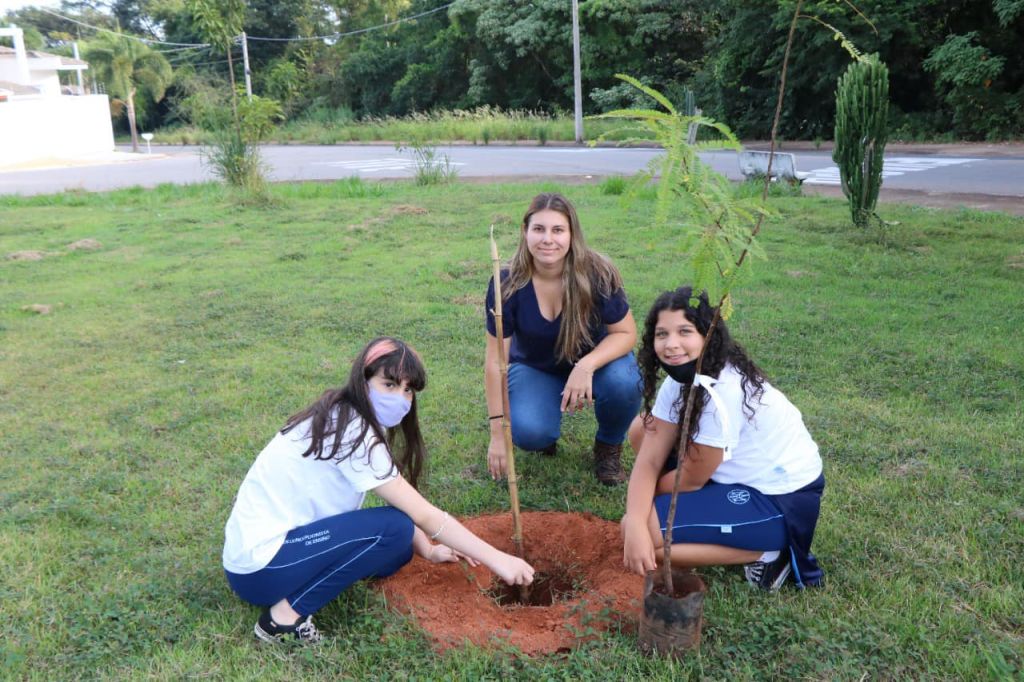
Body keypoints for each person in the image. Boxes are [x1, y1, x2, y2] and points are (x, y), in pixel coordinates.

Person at [223, 337, 535, 644]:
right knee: (395, 529)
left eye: (408, 389)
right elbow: (423, 515)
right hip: (262, 568)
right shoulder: (354, 430)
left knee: (397, 550)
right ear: (363, 380)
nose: (400, 397)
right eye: (389, 384)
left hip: (277, 554)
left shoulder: (350, 415)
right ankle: (282, 619)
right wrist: (498, 559)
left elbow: (400, 498)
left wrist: (427, 550)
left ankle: (307, 586)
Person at [620, 287, 825, 590]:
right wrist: (638, 512)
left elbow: (690, 480)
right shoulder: (682, 379)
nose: (671, 344)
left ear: (708, 335)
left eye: (684, 331)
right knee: (642, 429)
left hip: (779, 498)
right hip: (734, 475)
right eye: (662, 334)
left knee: (644, 535)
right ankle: (704, 518)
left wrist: (639, 515)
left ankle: (769, 553)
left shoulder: (722, 393)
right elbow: (650, 457)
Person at [484, 192, 642, 485]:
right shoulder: (506, 282)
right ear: (525, 231)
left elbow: (626, 333)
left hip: (597, 367)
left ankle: (608, 446)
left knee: (625, 382)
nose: (548, 239)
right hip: (536, 368)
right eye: (539, 229)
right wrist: (496, 434)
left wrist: (586, 365)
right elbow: (495, 361)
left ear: (572, 234)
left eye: (558, 230)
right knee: (529, 431)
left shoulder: (598, 273)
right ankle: (543, 432)